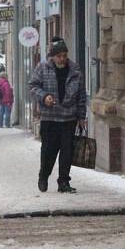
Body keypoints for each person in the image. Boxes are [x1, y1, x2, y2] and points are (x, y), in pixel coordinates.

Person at [29, 37, 87, 194]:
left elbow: (81, 95)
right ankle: (43, 176)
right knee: (49, 150)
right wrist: (44, 96)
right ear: (52, 56)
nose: (62, 59)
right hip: (50, 117)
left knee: (67, 151)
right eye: (59, 56)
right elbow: (33, 86)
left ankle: (64, 182)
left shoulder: (75, 70)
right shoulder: (43, 68)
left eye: (64, 55)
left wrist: (82, 116)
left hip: (69, 117)